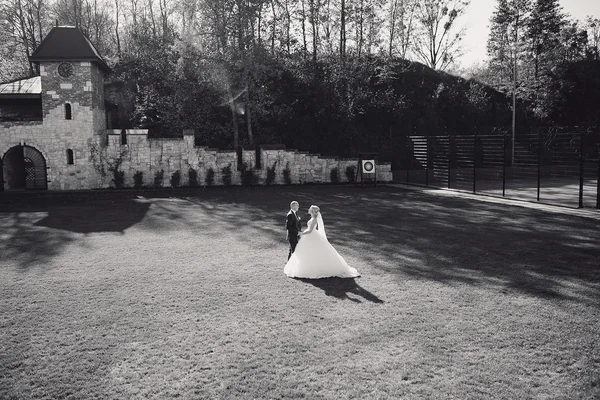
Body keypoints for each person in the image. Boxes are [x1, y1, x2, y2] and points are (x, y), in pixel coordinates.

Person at [284, 205, 360, 279]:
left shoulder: (314, 219)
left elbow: (310, 231)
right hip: (309, 236)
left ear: (313, 211)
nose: (309, 210)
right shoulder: (313, 218)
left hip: (312, 235)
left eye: (310, 209)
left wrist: (302, 233)